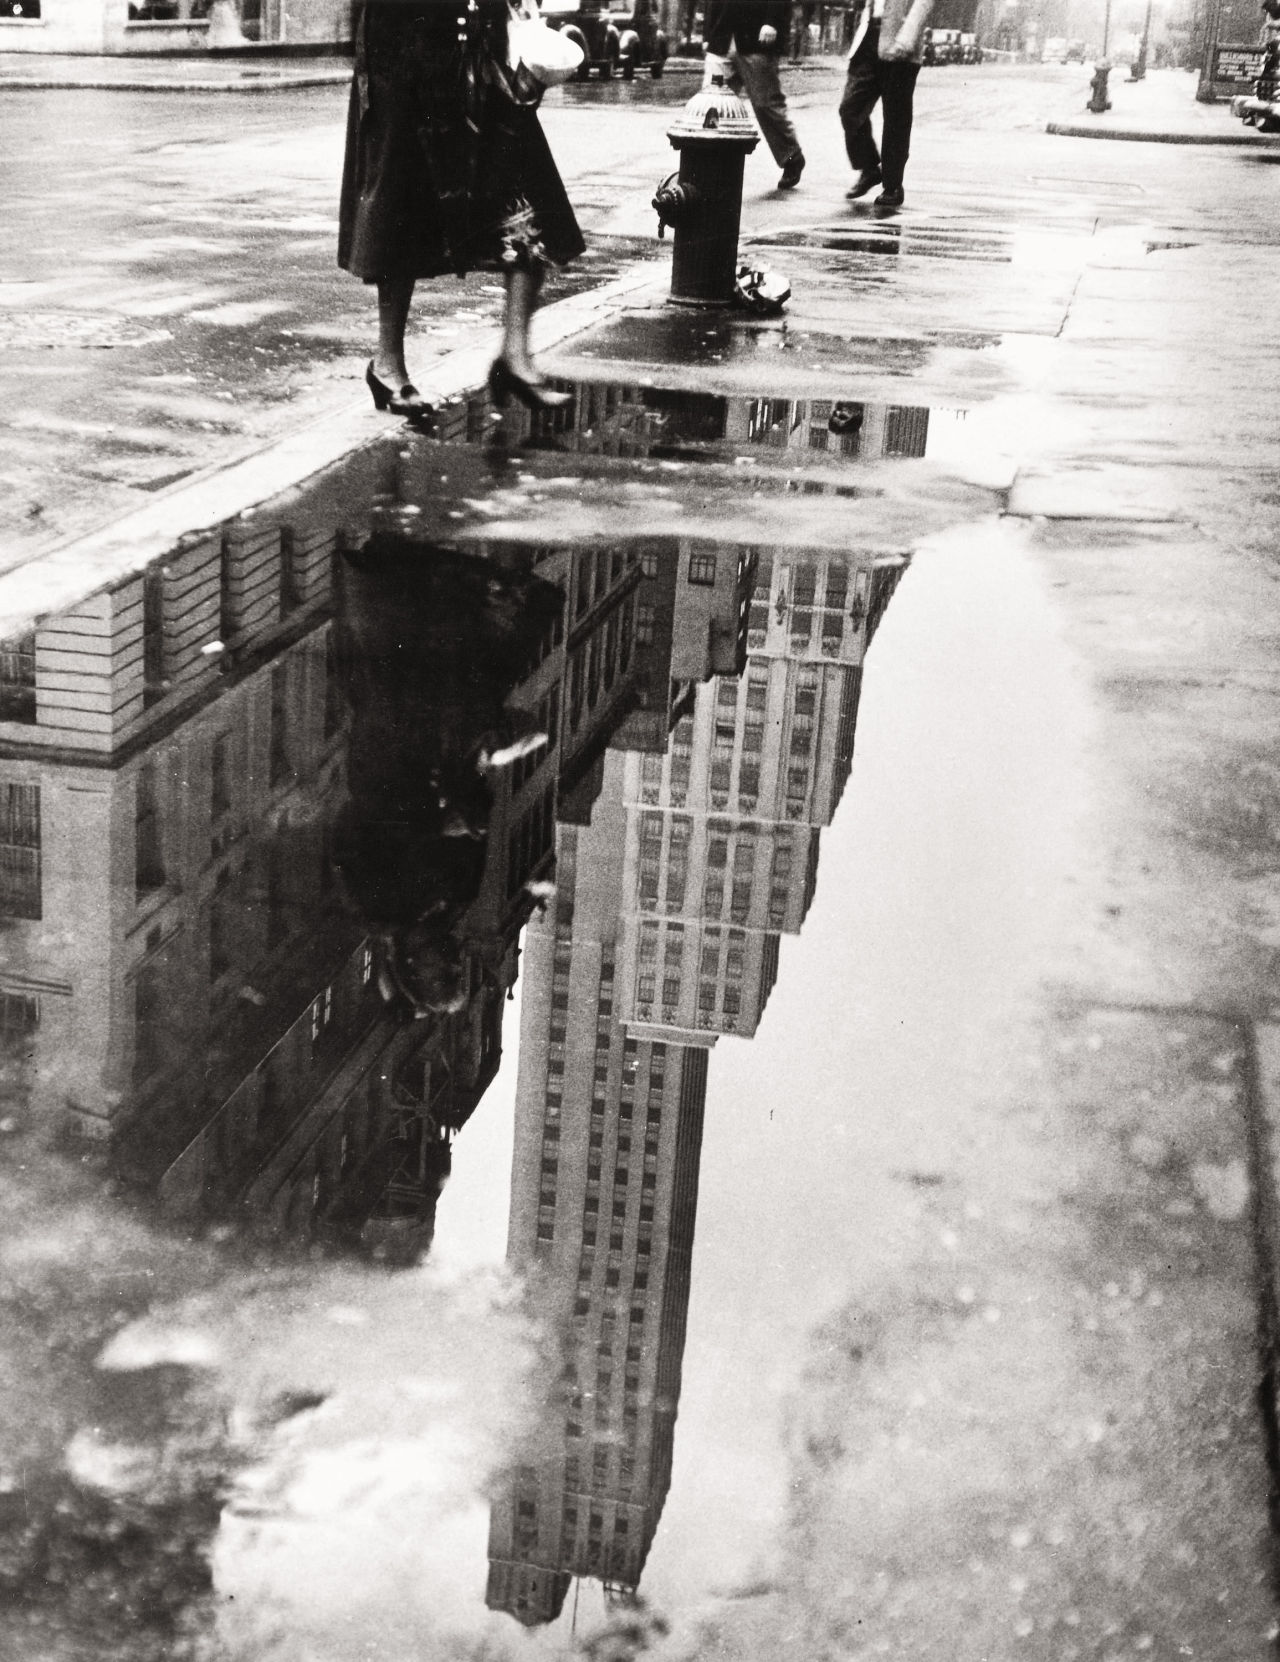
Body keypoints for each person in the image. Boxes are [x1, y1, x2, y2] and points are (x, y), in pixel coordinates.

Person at [338, 0, 585, 422]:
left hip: (479, 50)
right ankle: (388, 365)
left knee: (527, 195)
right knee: (401, 205)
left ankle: (515, 357)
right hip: (403, 54)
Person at [838, 0, 936, 211]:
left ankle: (892, 185)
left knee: (896, 118)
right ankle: (869, 167)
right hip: (869, 36)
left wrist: (907, 36)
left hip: (900, 38)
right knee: (850, 108)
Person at [703, 0, 806, 189]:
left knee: (765, 104)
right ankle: (710, 163)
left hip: (757, 36)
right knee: (711, 104)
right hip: (722, 37)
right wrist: (708, 32)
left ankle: (791, 157)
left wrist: (773, 22)